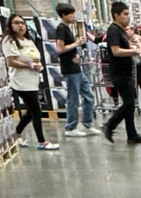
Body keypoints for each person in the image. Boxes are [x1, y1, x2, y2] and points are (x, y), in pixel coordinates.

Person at [2, 15, 59, 151]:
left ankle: (16, 133)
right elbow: (11, 62)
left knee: (32, 110)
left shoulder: (28, 41)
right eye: (17, 23)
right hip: (21, 82)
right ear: (10, 25)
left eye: (23, 23)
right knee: (36, 111)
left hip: (32, 80)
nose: (21, 25)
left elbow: (35, 58)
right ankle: (41, 141)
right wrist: (29, 66)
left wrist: (38, 65)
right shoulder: (9, 41)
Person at [102, 2, 141, 144]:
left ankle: (132, 134)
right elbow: (116, 51)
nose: (128, 17)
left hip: (126, 72)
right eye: (125, 14)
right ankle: (109, 125)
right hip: (119, 73)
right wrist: (135, 51)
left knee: (131, 103)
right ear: (116, 15)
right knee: (129, 102)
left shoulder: (121, 30)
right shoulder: (113, 31)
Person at [54, 3, 99, 137]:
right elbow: (60, 49)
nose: (74, 16)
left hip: (76, 68)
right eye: (71, 14)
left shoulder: (67, 28)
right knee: (73, 99)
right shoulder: (61, 29)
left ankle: (87, 123)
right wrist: (76, 43)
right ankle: (70, 127)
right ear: (63, 15)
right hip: (70, 70)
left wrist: (76, 50)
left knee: (89, 96)